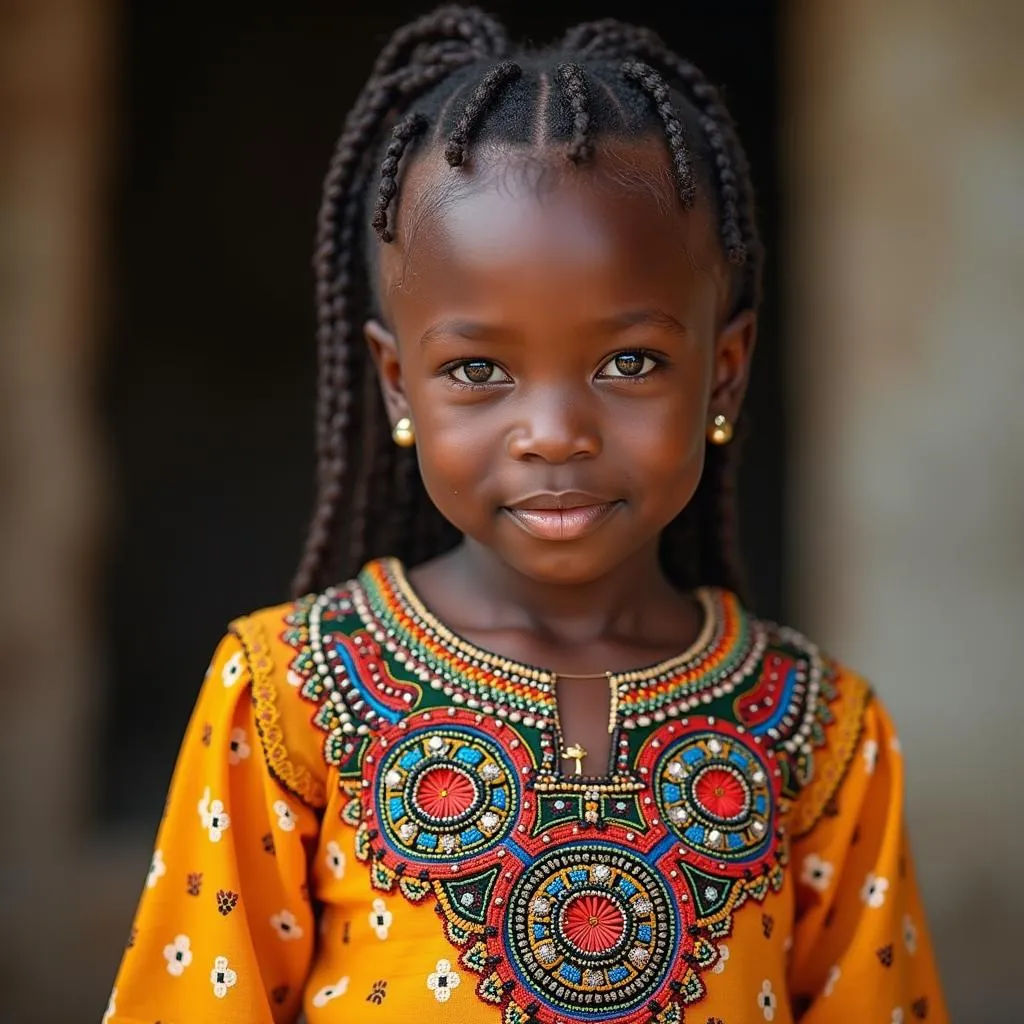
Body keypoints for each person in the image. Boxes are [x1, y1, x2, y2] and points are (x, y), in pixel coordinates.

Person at [103, 6, 947, 1022]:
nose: (553, 431)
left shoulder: (820, 732)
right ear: (397, 383)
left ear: (723, 373)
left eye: (628, 362)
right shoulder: (289, 696)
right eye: (476, 368)